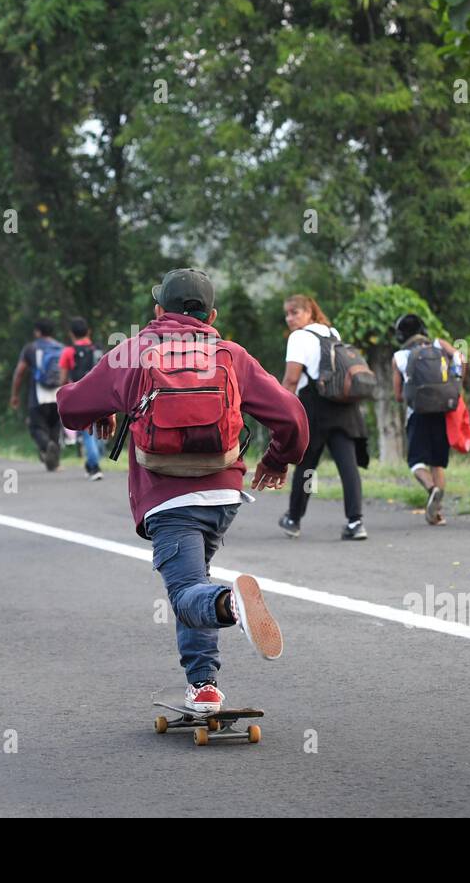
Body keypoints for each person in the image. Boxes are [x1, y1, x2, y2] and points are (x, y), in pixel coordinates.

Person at [57, 268, 308, 713]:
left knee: (188, 592)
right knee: (196, 578)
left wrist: (108, 406)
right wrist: (277, 459)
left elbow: (72, 407)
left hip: (168, 497)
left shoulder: (132, 352)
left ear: (158, 310)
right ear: (211, 315)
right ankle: (204, 685)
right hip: (223, 494)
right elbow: (292, 415)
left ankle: (229, 604)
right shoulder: (229, 354)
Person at [277, 295, 369, 540]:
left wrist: (281, 412)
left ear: (309, 312)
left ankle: (294, 519)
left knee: (307, 468)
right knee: (348, 467)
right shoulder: (332, 332)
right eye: (287, 314)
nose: (289, 318)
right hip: (343, 407)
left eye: (295, 312)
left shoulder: (299, 337)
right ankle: (355, 522)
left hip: (315, 409)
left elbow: (292, 380)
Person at [392, 314, 463, 526]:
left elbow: (398, 396)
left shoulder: (399, 357)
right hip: (442, 410)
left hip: (417, 413)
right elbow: (460, 356)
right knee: (437, 462)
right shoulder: (438, 344)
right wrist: (456, 383)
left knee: (415, 462)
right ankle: (437, 513)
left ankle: (432, 490)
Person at [11, 318, 66, 471]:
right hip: (59, 393)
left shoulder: (31, 348)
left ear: (37, 332)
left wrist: (14, 395)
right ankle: (54, 463)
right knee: (55, 427)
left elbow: (19, 373)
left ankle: (46, 445)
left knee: (36, 427)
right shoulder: (61, 348)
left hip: (38, 395)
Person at [58, 317, 104, 480]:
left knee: (88, 431)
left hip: (81, 395)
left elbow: (63, 379)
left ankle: (94, 466)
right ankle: (92, 462)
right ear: (88, 331)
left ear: (71, 334)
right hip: (101, 394)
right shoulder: (99, 349)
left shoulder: (68, 352)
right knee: (100, 428)